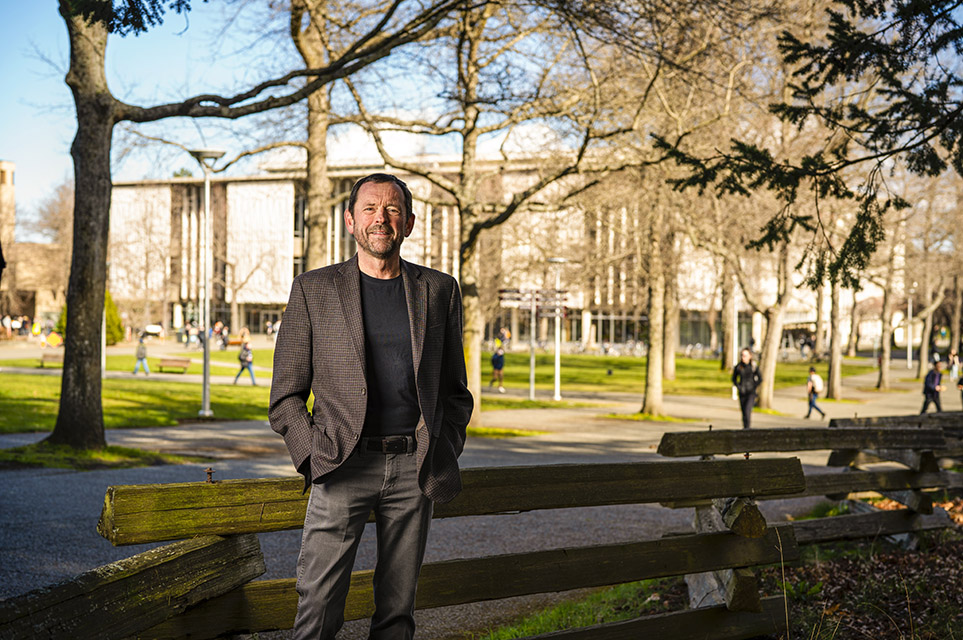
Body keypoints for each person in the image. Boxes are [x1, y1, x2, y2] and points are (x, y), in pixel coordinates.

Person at [269, 173, 473, 640]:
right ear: (350, 221)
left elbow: (455, 391)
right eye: (369, 209)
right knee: (318, 609)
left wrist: (443, 447)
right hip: (340, 465)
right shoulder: (313, 289)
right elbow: (284, 396)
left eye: (393, 209)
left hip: (413, 470)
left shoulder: (439, 290)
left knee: (397, 613)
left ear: (410, 223)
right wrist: (314, 454)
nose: (381, 218)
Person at [731, 347, 761, 428]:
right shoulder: (738, 367)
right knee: (744, 412)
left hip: (751, 392)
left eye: (745, 355)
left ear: (750, 356)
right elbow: (734, 378)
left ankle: (748, 428)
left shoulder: (753, 366)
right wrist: (739, 387)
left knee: (748, 411)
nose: (743, 357)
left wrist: (754, 386)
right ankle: (745, 428)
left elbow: (760, 378)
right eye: (742, 355)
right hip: (742, 392)